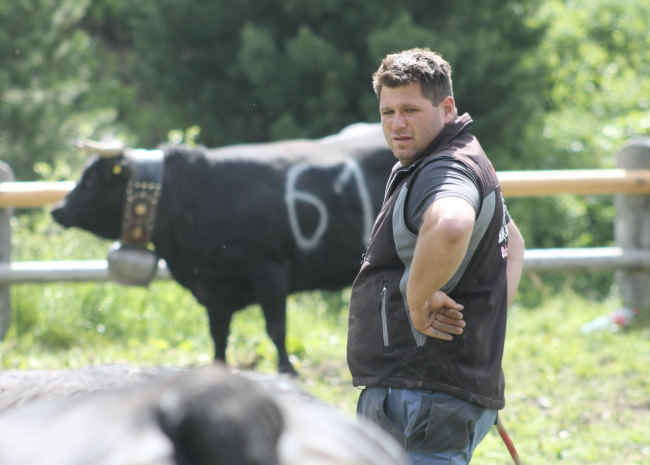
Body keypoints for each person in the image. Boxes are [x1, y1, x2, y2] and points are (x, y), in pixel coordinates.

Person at [347, 48, 525, 464]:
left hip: (423, 392)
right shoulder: (460, 156)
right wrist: (486, 318)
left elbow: (450, 224)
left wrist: (416, 297)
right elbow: (512, 245)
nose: (397, 124)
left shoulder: (445, 169)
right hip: (440, 388)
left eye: (410, 109)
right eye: (387, 112)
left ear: (447, 108)